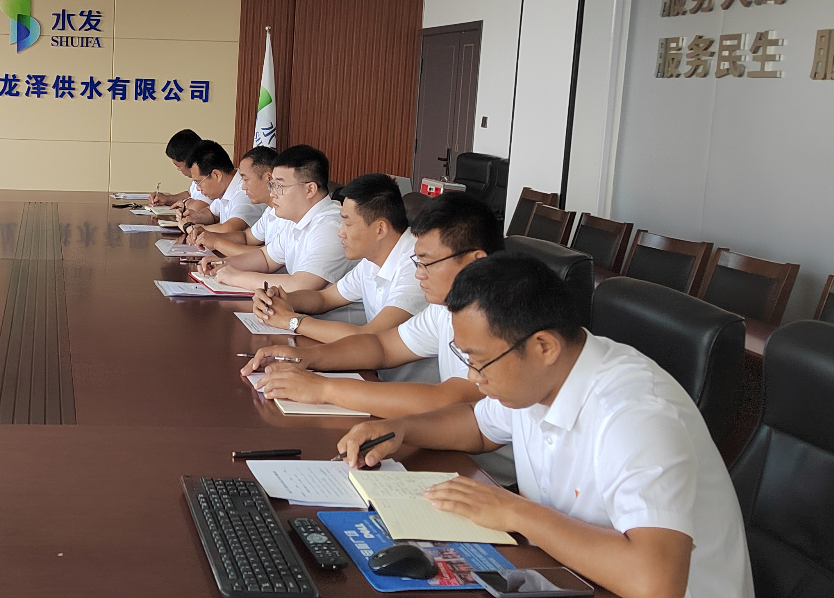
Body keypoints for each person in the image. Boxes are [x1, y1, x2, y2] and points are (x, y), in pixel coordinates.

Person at [336, 254, 754, 598]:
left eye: (480, 361)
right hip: (568, 575)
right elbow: (477, 425)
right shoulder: (536, 379)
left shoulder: (636, 414)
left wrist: (515, 511)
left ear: (543, 346)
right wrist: (402, 429)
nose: (474, 378)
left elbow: (655, 583)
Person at [241, 192, 503, 415]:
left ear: (475, 261)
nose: (419, 274)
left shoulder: (499, 318)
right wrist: (306, 357)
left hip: (476, 456)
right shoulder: (445, 308)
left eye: (427, 263)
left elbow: (451, 399)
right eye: (418, 262)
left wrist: (323, 389)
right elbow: (383, 347)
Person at [250, 173, 424, 343]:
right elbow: (324, 299)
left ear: (380, 229)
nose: (340, 232)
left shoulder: (418, 266)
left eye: (347, 223)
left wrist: (291, 321)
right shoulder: (372, 259)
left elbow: (368, 337)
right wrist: (279, 299)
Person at [209, 145, 354, 293]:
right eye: (272, 185)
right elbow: (266, 258)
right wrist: (221, 263)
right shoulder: (296, 219)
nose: (272, 193)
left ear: (310, 189)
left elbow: (300, 285)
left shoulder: (330, 226)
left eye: (280, 186)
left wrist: (237, 277)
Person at [186, 146, 283, 257]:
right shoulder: (271, 211)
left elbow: (266, 256)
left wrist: (216, 243)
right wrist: (208, 235)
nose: (243, 187)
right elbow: (246, 237)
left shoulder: (288, 215)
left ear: (268, 178)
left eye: (246, 180)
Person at [179, 140, 264, 232]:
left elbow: (230, 229)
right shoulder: (226, 186)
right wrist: (196, 216)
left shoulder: (245, 191)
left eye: (199, 182)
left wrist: (190, 228)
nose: (198, 188)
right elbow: (212, 213)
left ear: (216, 175)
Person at [147, 129, 210, 207]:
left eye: (178, 166)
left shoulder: (208, 176)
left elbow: (200, 206)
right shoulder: (198, 176)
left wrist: (184, 203)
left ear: (189, 161)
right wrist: (167, 199)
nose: (178, 169)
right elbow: (190, 194)